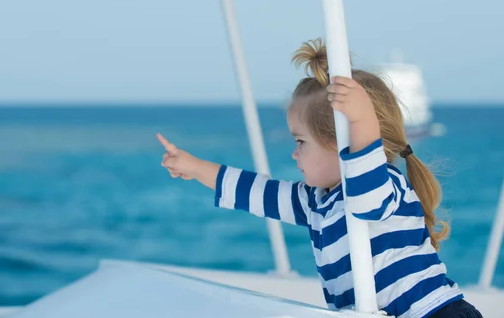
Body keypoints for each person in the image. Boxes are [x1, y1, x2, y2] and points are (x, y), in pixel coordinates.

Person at [157, 38, 483, 318]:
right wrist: (195, 167)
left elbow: (364, 163)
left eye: (300, 142)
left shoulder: (380, 186)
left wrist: (361, 118)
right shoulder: (317, 200)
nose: (294, 154)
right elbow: (257, 193)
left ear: (338, 143)